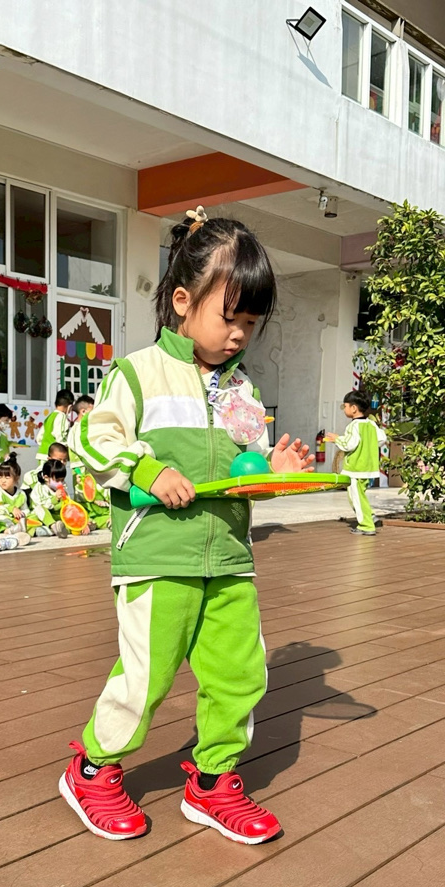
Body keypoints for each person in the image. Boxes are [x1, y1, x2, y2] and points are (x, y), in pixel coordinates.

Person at [61, 208, 314, 844]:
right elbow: (91, 438)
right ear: (182, 301)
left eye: (250, 323)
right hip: (156, 555)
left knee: (240, 673)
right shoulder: (138, 372)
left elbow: (247, 472)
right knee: (146, 675)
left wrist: (275, 473)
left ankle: (213, 780)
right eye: (229, 317)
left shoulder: (242, 391)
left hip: (228, 559)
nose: (239, 335)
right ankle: (92, 769)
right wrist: (147, 470)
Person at [326, 391, 386, 536]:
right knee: (359, 495)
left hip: (356, 468)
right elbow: (381, 439)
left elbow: (349, 445)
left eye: (345, 406)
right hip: (369, 467)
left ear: (353, 408)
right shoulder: (371, 424)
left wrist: (337, 439)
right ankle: (369, 516)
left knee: (356, 497)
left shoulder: (353, 426)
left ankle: (366, 525)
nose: (344, 409)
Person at [0, 454, 32, 543]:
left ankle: (32, 531)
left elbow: (25, 509)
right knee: (4, 520)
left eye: (7, 477)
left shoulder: (21, 494)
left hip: (17, 520)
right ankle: (12, 532)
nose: (3, 480)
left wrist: (22, 514)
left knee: (32, 517)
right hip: (1, 519)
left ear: (16, 478)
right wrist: (12, 509)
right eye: (0, 477)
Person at [29, 458, 70, 537]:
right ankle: (53, 527)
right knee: (39, 509)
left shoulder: (63, 487)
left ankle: (61, 529)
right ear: (46, 477)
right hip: (42, 516)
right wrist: (55, 499)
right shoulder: (39, 488)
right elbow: (43, 505)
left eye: (62, 480)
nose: (60, 483)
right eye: (57, 480)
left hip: (56, 516)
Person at [35, 389, 74, 466]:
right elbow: (60, 437)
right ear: (70, 407)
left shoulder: (49, 417)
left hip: (41, 454)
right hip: (54, 457)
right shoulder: (62, 417)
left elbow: (39, 438)